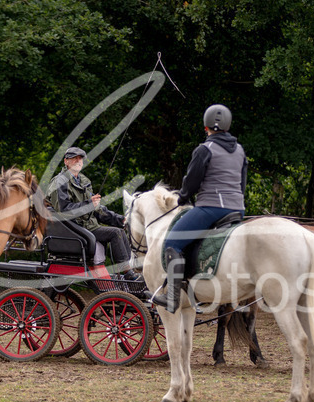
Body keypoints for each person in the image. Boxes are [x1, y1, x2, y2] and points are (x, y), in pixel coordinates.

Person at [153, 104, 247, 312]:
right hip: (237, 209)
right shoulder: (240, 150)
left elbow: (193, 181)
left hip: (211, 207)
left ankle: (172, 296)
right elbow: (242, 183)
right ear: (228, 126)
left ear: (206, 127)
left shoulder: (205, 149)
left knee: (172, 242)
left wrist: (183, 197)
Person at [48, 147, 142, 283]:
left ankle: (129, 268)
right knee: (116, 233)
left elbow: (97, 210)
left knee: (120, 230)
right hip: (73, 228)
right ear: (66, 161)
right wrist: (88, 204)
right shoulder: (60, 182)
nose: (78, 161)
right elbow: (63, 211)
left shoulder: (83, 181)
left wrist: (120, 219)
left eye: (80, 158)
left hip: (88, 226)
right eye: (74, 158)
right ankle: (127, 271)